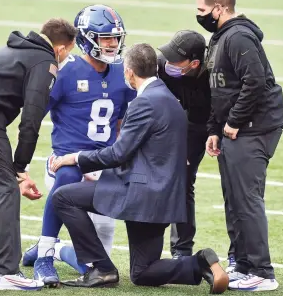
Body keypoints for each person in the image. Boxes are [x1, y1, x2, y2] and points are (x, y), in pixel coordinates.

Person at [49, 43, 229, 294]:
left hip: (140, 193)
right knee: (143, 272)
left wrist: (77, 158)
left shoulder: (144, 103)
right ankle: (199, 264)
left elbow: (118, 153)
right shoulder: (169, 99)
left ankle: (102, 268)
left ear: (130, 72)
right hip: (163, 196)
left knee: (63, 197)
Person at [21, 4, 136, 287]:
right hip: (66, 160)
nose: (112, 44)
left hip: (102, 161)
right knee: (67, 175)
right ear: (86, 38)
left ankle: (57, 249)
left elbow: (121, 124)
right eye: (105, 37)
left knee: (97, 260)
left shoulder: (124, 71)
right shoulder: (65, 71)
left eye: (115, 38)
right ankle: (46, 254)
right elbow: (34, 115)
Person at [0, 18, 77, 291]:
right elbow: (31, 119)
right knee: (5, 189)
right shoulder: (44, 61)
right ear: (62, 48)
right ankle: (5, 271)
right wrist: (19, 166)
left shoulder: (19, 49)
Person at [194, 0, 283, 292]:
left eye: (202, 10)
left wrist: (232, 122)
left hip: (254, 128)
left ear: (219, 9)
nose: (199, 15)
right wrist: (213, 130)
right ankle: (242, 263)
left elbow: (256, 82)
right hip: (234, 130)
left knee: (246, 201)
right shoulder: (219, 38)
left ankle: (262, 271)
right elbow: (218, 90)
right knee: (234, 200)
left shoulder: (238, 36)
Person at [157, 30, 211, 260]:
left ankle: (182, 250)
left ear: (195, 63)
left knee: (185, 181)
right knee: (172, 180)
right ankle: (173, 249)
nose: (169, 62)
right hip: (177, 120)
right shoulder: (161, 66)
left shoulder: (215, 76)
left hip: (206, 123)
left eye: (176, 59)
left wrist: (189, 149)